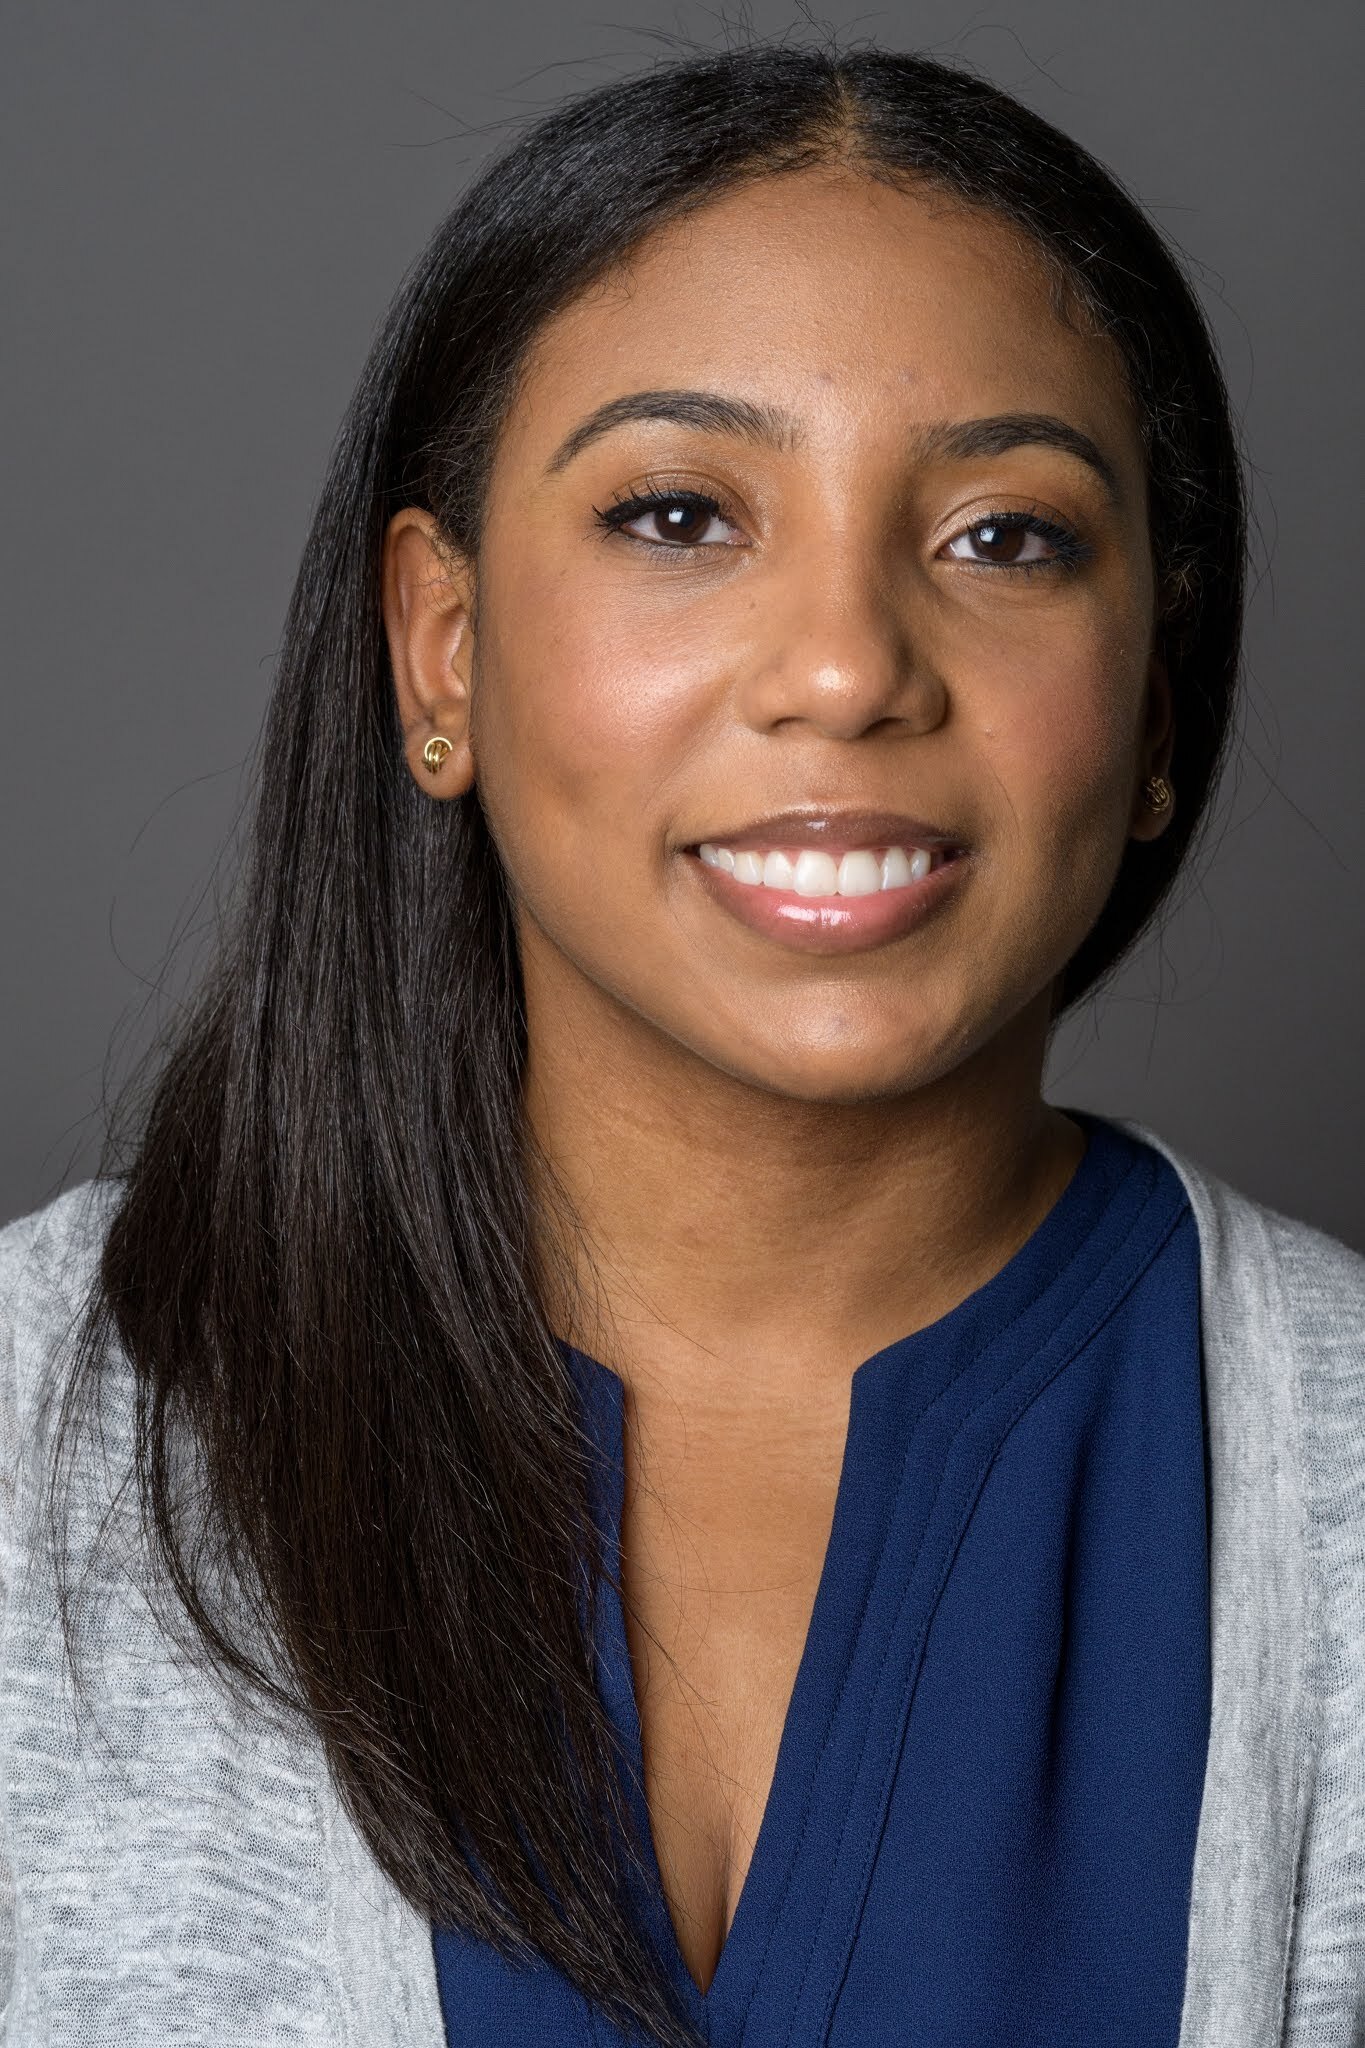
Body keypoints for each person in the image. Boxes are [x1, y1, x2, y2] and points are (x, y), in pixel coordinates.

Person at [2, 36, 1362, 2048]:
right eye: (675, 513)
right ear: (437, 649)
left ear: (1154, 702)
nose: (843, 666)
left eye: (1003, 534)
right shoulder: (35, 1430)